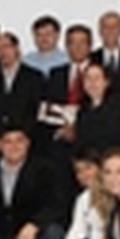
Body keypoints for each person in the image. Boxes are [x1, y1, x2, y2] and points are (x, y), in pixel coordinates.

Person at [41, 24, 94, 205]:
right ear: (66, 46)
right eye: (72, 43)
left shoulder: (99, 74)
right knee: (61, 197)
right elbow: (46, 110)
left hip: (90, 148)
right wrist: (61, 130)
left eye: (82, 43)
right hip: (60, 148)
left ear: (90, 46)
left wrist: (79, 130)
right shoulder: (55, 74)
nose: (77, 48)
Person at [0, 31, 42, 151]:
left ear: (16, 48)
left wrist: (19, 139)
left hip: (27, 142)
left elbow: (35, 109)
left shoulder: (35, 77)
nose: (3, 52)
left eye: (6, 47)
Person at [74, 62, 120, 156]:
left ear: (106, 82)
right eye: (88, 78)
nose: (92, 83)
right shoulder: (83, 111)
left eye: (97, 78)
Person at [90, 11, 120, 98]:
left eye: (114, 27)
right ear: (100, 31)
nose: (110, 30)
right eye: (106, 27)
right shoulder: (90, 59)